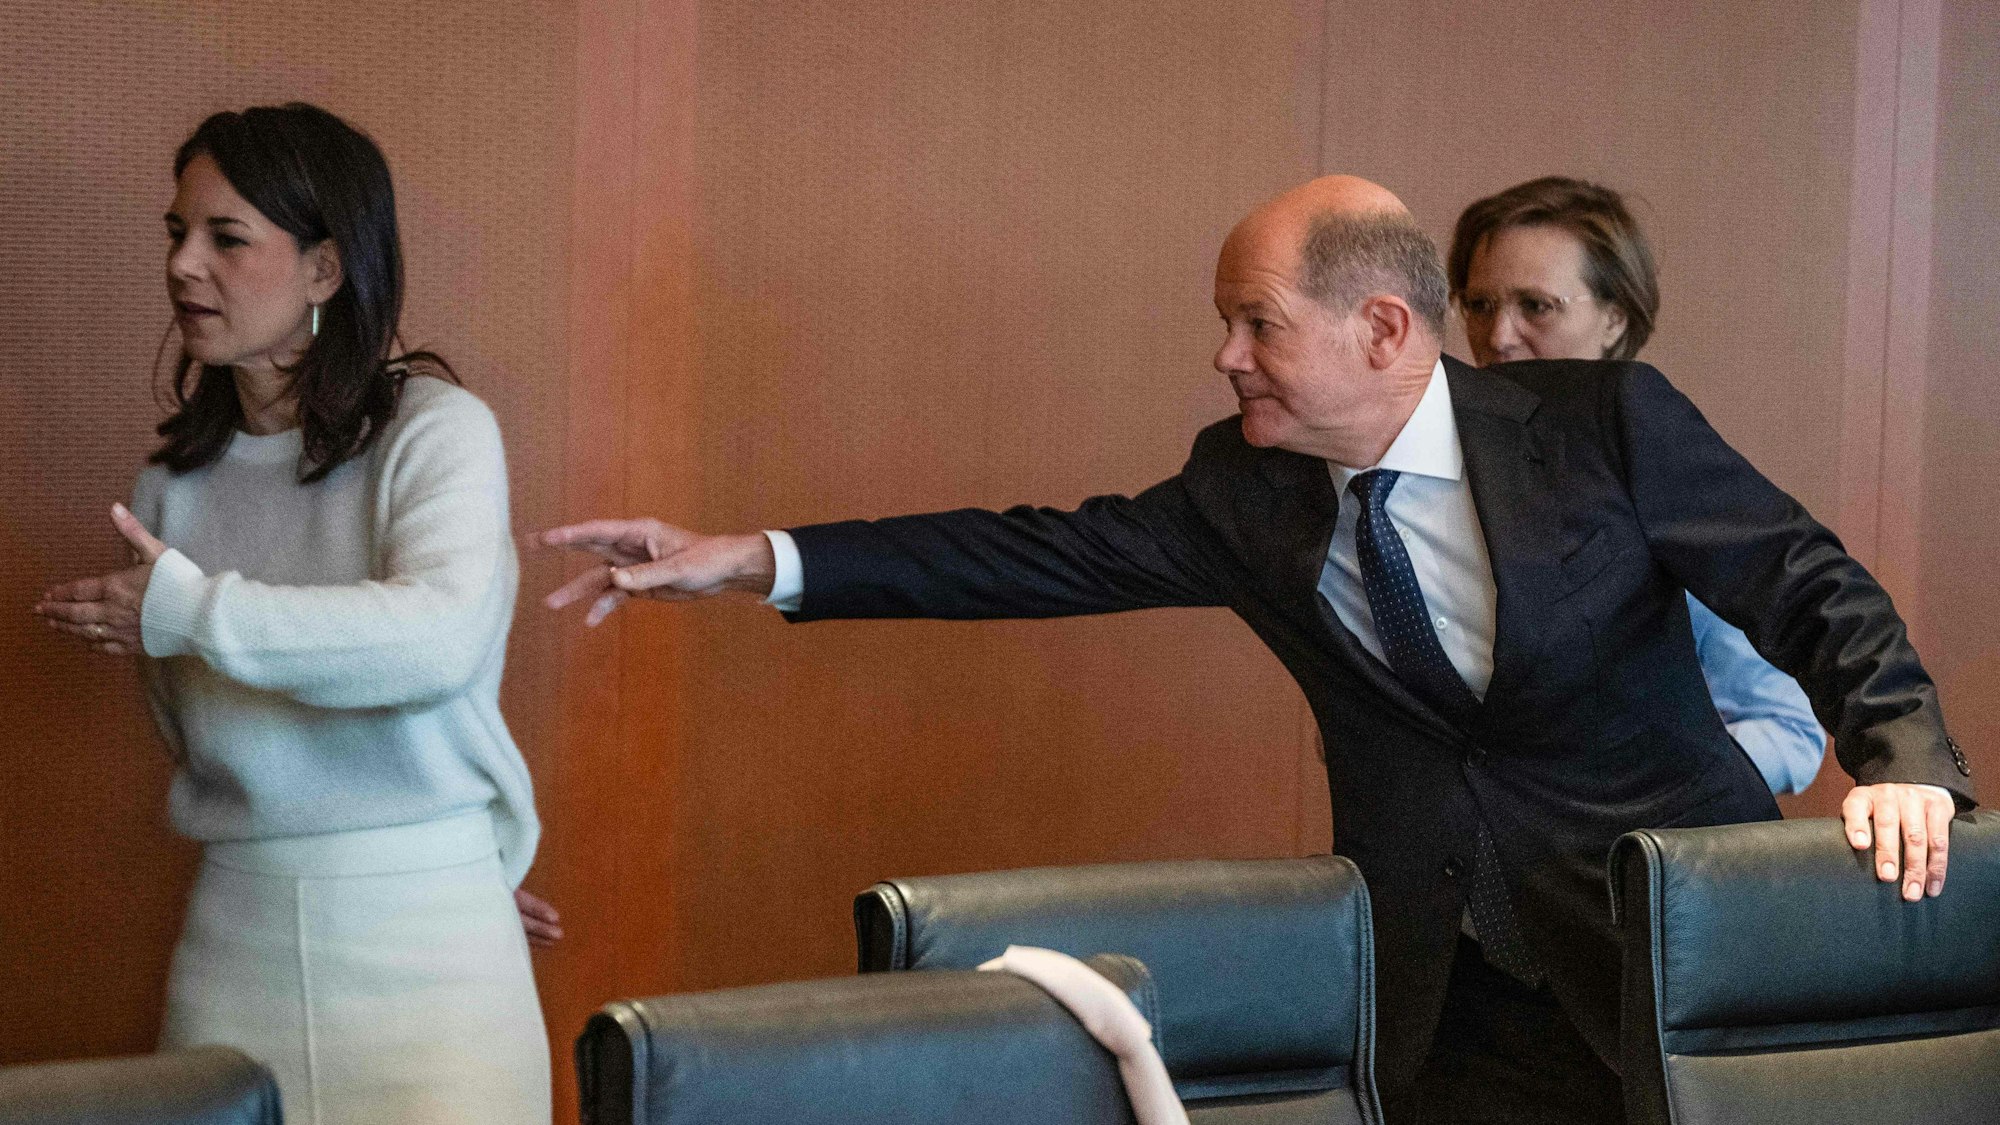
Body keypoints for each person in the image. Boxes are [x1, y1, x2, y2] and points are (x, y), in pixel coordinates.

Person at [537, 175, 1972, 1123]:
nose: (1226, 358)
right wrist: (758, 560)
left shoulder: (1601, 426)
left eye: (1255, 324)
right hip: (1441, 1005)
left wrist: (1901, 757)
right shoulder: (1246, 489)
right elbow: (1035, 550)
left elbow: (1805, 582)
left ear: (1382, 329)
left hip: (1672, 971)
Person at [35, 103, 550, 1125]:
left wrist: (192, 609)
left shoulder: (437, 433)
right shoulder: (168, 488)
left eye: (226, 238)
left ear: (324, 269)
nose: (184, 265)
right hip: (235, 941)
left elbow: (434, 636)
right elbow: (194, 728)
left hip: (436, 955)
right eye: (176, 234)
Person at [1446, 176, 1827, 797]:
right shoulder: (1426, 474)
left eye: (1535, 306)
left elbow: (1786, 729)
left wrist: (1643, 800)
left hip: (1632, 865)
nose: (1498, 338)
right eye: (1479, 305)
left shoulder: (1669, 481)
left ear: (1614, 318)